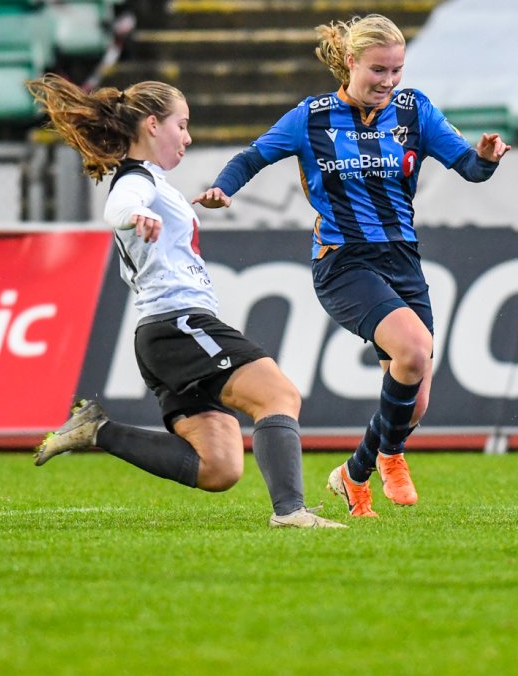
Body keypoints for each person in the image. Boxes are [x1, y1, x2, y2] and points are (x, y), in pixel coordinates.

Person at [193, 14, 512, 517]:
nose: (388, 82)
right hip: (343, 261)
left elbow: (469, 169)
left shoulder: (415, 111)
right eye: (378, 70)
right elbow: (253, 157)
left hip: (402, 258)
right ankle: (390, 456)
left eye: (396, 71)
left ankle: (353, 475)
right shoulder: (312, 117)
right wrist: (221, 189)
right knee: (413, 349)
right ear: (350, 62)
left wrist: (486, 158)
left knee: (414, 400)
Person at [25, 73, 344, 530]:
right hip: (178, 325)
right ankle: (290, 512)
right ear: (152, 124)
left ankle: (97, 430)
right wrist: (135, 213)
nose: (187, 137)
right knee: (279, 395)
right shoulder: (136, 181)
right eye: (182, 124)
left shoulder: (153, 181)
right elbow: (118, 206)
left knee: (219, 467)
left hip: (163, 335)